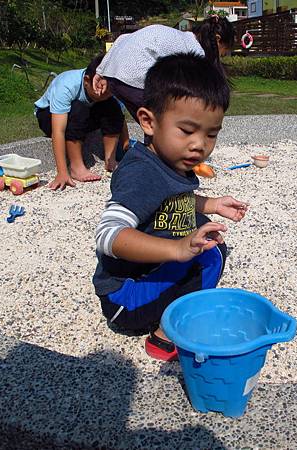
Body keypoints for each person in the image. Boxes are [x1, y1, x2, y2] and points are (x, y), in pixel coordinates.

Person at [92, 53, 248, 361]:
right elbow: (108, 235)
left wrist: (212, 204)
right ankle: (165, 338)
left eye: (210, 134)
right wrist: (178, 249)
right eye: (187, 131)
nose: (199, 144)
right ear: (148, 122)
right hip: (125, 300)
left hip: (142, 282)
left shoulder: (168, 160)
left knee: (205, 232)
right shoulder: (142, 173)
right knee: (209, 256)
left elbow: (170, 202)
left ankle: (180, 308)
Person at [91, 16, 235, 124]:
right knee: (165, 125)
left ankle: (152, 158)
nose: (222, 56)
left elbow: (123, 38)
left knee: (152, 126)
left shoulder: (181, 37)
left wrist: (102, 71)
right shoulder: (195, 51)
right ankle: (163, 161)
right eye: (224, 51)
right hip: (134, 78)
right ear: (217, 39)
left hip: (114, 77)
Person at [34, 54, 129, 190]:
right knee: (79, 108)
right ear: (86, 81)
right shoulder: (66, 85)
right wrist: (62, 172)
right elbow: (58, 131)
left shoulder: (108, 90)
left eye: (108, 90)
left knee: (111, 105)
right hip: (48, 116)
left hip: (83, 115)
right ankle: (76, 167)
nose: (104, 93)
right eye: (100, 89)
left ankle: (110, 160)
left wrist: (126, 145)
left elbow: (120, 116)